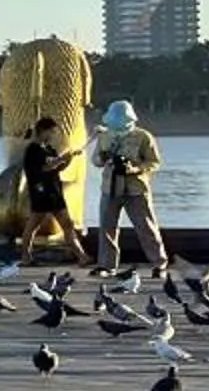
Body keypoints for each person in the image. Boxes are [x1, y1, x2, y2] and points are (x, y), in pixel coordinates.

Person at [93, 100, 170, 273]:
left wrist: (134, 169)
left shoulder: (143, 137)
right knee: (107, 228)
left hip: (136, 189)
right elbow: (95, 160)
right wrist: (103, 158)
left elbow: (154, 162)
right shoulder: (105, 136)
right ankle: (107, 265)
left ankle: (159, 263)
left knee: (146, 227)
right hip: (110, 187)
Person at [16, 117, 88, 266]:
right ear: (44, 131)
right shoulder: (33, 150)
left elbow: (57, 168)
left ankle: (81, 256)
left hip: (54, 190)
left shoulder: (49, 149)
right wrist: (62, 159)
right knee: (34, 225)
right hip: (41, 192)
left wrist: (69, 159)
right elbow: (44, 168)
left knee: (66, 225)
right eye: (52, 131)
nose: (54, 135)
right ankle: (26, 257)